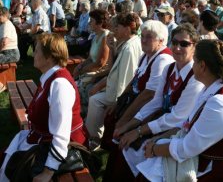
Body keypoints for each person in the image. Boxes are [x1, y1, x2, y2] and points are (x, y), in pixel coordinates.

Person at [136, 39, 223, 181]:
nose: (192, 65)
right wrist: (158, 139)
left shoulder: (222, 103)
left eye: (195, 61)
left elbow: (187, 148)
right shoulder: (213, 87)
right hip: (215, 158)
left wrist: (155, 149)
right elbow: (188, 124)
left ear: (202, 66)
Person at [111, 24, 204, 181]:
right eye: (174, 42)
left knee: (138, 148)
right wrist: (129, 124)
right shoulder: (169, 69)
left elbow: (177, 117)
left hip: (180, 129)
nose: (178, 48)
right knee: (123, 140)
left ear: (194, 47)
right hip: (162, 121)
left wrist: (139, 131)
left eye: (184, 44)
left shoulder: (195, 77)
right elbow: (156, 102)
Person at [0, 33, 89, 181]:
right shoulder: (50, 77)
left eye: (37, 50)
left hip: (62, 148)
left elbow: (61, 136)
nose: (33, 53)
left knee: (12, 168)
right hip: (41, 137)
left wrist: (48, 172)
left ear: (50, 56)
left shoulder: (60, 85)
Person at [85, 13, 143, 148]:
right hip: (115, 88)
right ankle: (93, 135)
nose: (114, 30)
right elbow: (113, 69)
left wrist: (116, 103)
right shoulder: (127, 43)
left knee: (95, 100)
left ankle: (93, 138)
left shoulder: (129, 48)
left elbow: (126, 78)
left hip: (120, 94)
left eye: (117, 27)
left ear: (128, 29)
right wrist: (111, 49)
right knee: (94, 98)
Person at [73, 9, 110, 115]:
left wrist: (81, 71)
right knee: (73, 82)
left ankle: (82, 113)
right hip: (91, 68)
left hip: (99, 72)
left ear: (100, 23)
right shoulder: (96, 35)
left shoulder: (106, 37)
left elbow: (100, 63)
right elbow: (90, 58)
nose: (89, 23)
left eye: (92, 21)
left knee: (77, 87)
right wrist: (79, 66)